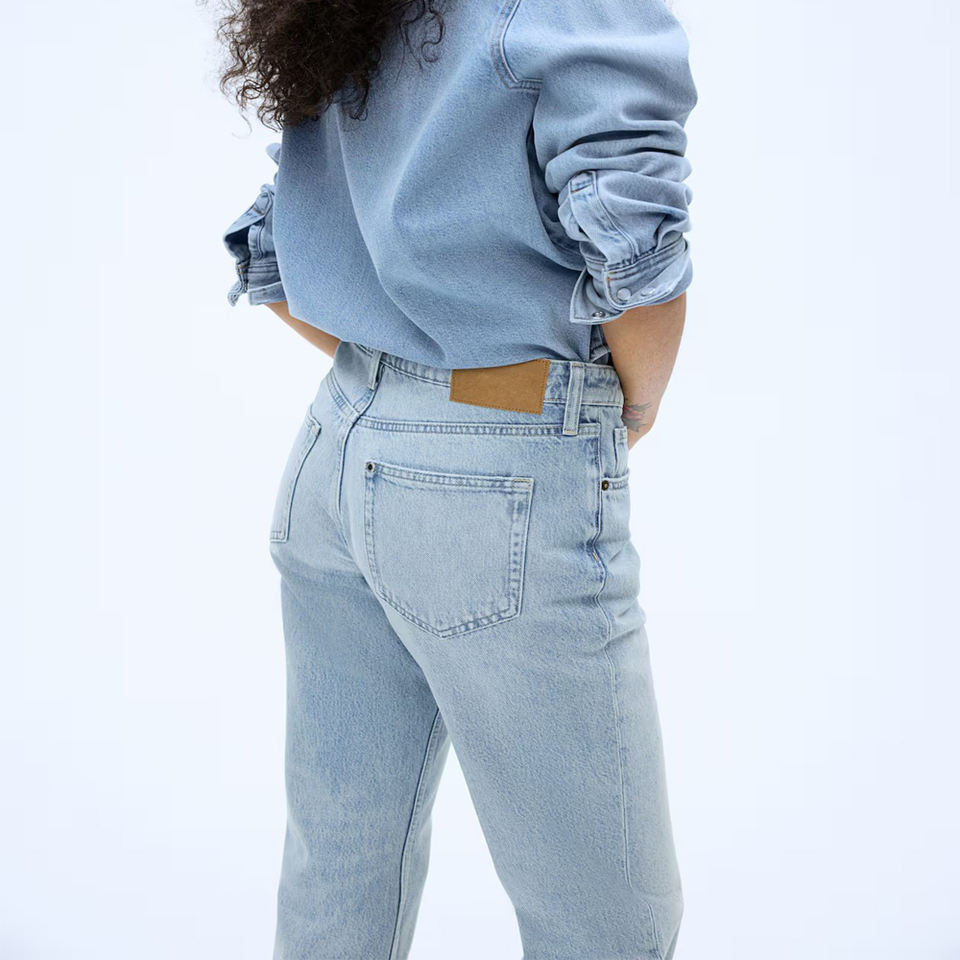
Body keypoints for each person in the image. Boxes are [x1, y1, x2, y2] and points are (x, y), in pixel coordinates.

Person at [215, 0, 697, 956]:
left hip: (335, 448)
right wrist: (631, 404)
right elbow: (638, 254)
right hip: (496, 476)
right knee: (609, 923)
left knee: (340, 874)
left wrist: (400, 375)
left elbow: (283, 252)